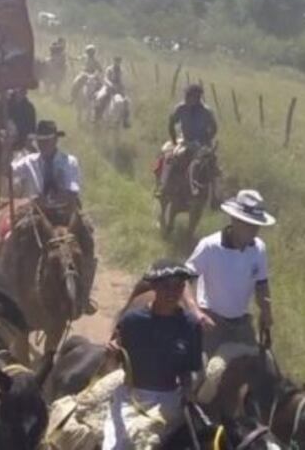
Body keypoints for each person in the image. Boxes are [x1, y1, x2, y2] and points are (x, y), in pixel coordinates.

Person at [102, 259, 202, 450]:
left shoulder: (191, 325)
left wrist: (188, 391)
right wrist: (111, 354)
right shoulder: (132, 321)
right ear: (154, 287)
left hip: (170, 398)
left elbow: (189, 370)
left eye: (179, 287)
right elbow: (113, 365)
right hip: (131, 397)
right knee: (119, 444)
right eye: (167, 287)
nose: (173, 293)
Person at [12, 120, 96, 315]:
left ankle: (84, 294)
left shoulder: (69, 161)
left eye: (48, 140)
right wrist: (5, 147)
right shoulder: (28, 161)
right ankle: (13, 285)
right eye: (41, 141)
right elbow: (8, 170)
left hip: (66, 213)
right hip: (38, 213)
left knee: (87, 239)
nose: (44, 145)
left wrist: (49, 199)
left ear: (56, 140)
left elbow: (72, 192)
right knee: (18, 236)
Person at [184, 189, 275, 357]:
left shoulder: (259, 249)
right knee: (201, 374)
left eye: (257, 225)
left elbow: (262, 284)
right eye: (250, 224)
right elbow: (184, 280)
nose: (255, 230)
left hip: (241, 323)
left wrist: (266, 309)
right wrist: (196, 312)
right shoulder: (210, 246)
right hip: (211, 322)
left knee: (263, 367)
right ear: (235, 220)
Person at [160, 83, 218, 195]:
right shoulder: (180, 108)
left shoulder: (206, 111)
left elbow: (214, 128)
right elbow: (171, 123)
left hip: (202, 144)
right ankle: (163, 186)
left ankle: (215, 195)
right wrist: (174, 141)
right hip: (185, 141)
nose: (186, 99)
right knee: (170, 159)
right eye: (186, 96)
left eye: (189, 96)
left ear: (197, 98)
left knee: (212, 165)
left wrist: (206, 140)